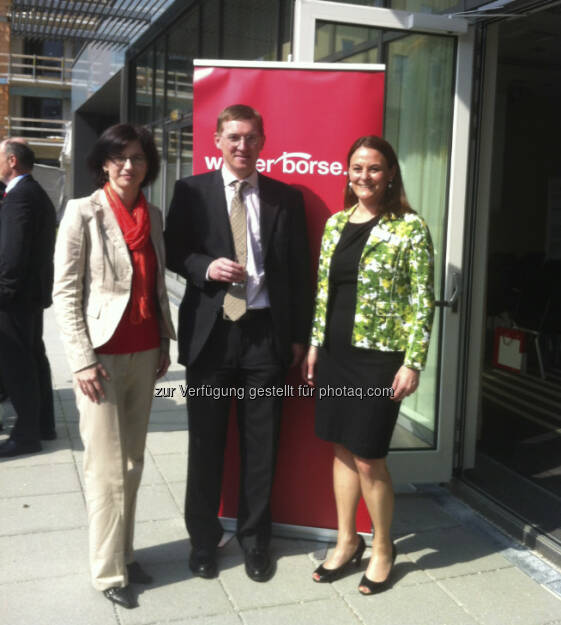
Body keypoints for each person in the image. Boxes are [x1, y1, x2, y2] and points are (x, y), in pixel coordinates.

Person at [165, 104, 312, 583]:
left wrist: (297, 336)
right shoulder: (190, 190)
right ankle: (203, 542)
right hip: (211, 337)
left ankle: (255, 541)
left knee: (261, 446)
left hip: (264, 338)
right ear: (216, 141)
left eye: (250, 138)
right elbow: (174, 251)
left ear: (263, 141)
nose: (242, 146)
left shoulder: (284, 198)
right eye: (233, 138)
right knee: (205, 445)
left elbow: (298, 272)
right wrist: (206, 267)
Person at [302, 135, 434, 595]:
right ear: (348, 172)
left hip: (380, 359)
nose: (364, 176)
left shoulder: (410, 227)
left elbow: (422, 301)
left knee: (369, 455)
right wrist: (316, 345)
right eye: (357, 168)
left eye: (374, 168)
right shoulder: (337, 223)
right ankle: (345, 542)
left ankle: (382, 548)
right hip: (336, 354)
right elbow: (324, 291)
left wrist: (413, 362)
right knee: (340, 447)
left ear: (390, 173)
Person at [53, 124, 175, 609]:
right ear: (104, 162)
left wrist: (164, 343)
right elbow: (65, 292)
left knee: (132, 462)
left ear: (149, 167)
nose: (130, 166)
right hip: (100, 358)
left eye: (139, 159)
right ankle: (108, 573)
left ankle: (124, 553)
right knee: (104, 466)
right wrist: (81, 359)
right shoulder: (83, 213)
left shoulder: (154, 214)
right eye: (120, 157)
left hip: (145, 351)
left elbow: (156, 286)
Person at [0, 138, 56, 457]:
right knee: (34, 360)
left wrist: (3, 293)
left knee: (19, 365)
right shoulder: (33, 192)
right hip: (30, 296)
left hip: (16, 299)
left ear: (11, 161)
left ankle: (26, 435)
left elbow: (13, 254)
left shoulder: (20, 197)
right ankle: (43, 424)